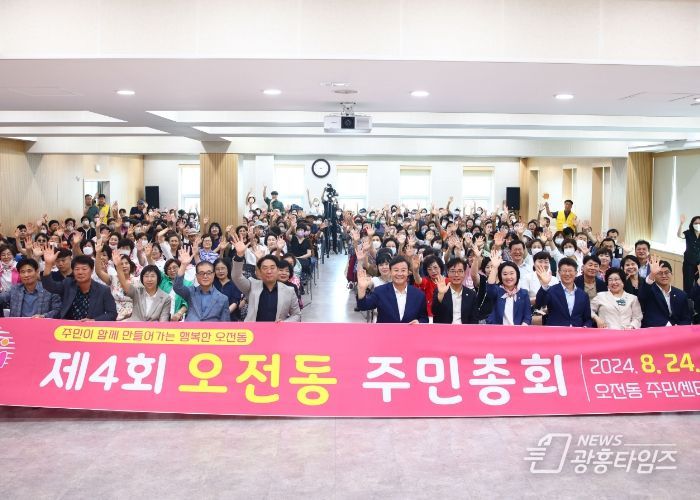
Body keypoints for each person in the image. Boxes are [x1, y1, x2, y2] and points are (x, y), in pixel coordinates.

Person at [230, 235, 301, 322]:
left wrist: (285, 323)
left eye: (272, 268)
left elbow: (297, 315)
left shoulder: (289, 290)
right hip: (253, 329)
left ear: (278, 270)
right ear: (260, 271)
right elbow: (236, 277)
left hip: (278, 329)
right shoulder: (252, 285)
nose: (269, 271)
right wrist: (239, 256)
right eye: (265, 268)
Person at [41, 251, 117, 321]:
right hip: (67, 326)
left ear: (91, 270)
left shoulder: (103, 290)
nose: (80, 272)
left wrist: (94, 320)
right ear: (73, 271)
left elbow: (112, 314)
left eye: (84, 269)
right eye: (77, 269)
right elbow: (50, 286)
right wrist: (48, 264)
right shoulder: (68, 284)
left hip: (91, 328)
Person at [356, 256, 428, 324]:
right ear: (390, 272)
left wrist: (419, 323)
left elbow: (424, 318)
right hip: (385, 332)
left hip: (410, 332)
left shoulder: (419, 295)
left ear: (408, 272)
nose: (399, 274)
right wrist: (361, 289)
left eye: (403, 270)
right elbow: (363, 306)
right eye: (396, 270)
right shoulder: (380, 291)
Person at [172, 249, 230, 322]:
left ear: (213, 275)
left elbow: (225, 323)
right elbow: (177, 287)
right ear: (196, 276)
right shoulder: (191, 292)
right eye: (201, 273)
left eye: (208, 273)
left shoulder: (223, 299)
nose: (205, 276)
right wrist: (183, 265)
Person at [535, 257, 593, 327]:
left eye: (570, 271)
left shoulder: (583, 295)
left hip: (577, 331)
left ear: (576, 273)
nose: (567, 274)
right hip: (556, 331)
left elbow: (587, 319)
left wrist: (586, 326)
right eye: (564, 271)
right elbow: (539, 304)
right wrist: (544, 285)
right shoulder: (551, 290)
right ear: (559, 272)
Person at [638, 256, 692, 327]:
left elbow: (686, 319)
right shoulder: (649, 291)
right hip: (655, 329)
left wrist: (679, 327)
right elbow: (642, 296)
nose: (664, 276)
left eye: (666, 272)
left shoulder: (681, 294)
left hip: (677, 330)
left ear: (671, 274)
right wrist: (652, 274)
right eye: (660, 273)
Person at [485, 251, 531, 325]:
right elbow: (490, 287)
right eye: (505, 274)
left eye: (512, 273)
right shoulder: (497, 291)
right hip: (498, 330)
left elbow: (527, 317)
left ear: (517, 275)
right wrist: (494, 267)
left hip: (518, 330)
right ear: (500, 276)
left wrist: (522, 328)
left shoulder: (523, 293)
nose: (509, 277)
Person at [432, 258, 479, 324]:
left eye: (460, 271)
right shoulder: (440, 290)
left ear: (464, 273)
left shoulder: (471, 294)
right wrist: (441, 294)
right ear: (447, 272)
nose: (456, 275)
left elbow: (474, 319)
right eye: (452, 271)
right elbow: (434, 311)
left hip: (465, 329)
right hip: (445, 329)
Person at [677, 215, 700, 293]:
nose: (698, 225)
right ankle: (687, 300)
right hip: (688, 264)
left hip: (699, 265)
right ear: (692, 224)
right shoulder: (688, 233)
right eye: (696, 223)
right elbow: (679, 235)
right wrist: (681, 224)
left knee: (698, 286)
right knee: (688, 285)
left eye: (699, 223)